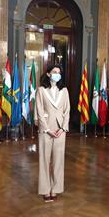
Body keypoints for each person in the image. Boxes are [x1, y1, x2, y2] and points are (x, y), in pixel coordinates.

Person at [35, 65, 70, 203]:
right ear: (48, 74)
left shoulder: (64, 91)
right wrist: (47, 129)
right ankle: (45, 189)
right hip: (46, 130)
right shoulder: (41, 90)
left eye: (59, 72)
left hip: (60, 130)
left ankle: (55, 189)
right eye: (54, 72)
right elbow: (39, 111)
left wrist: (63, 128)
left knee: (58, 160)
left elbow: (67, 111)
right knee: (44, 159)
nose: (57, 74)